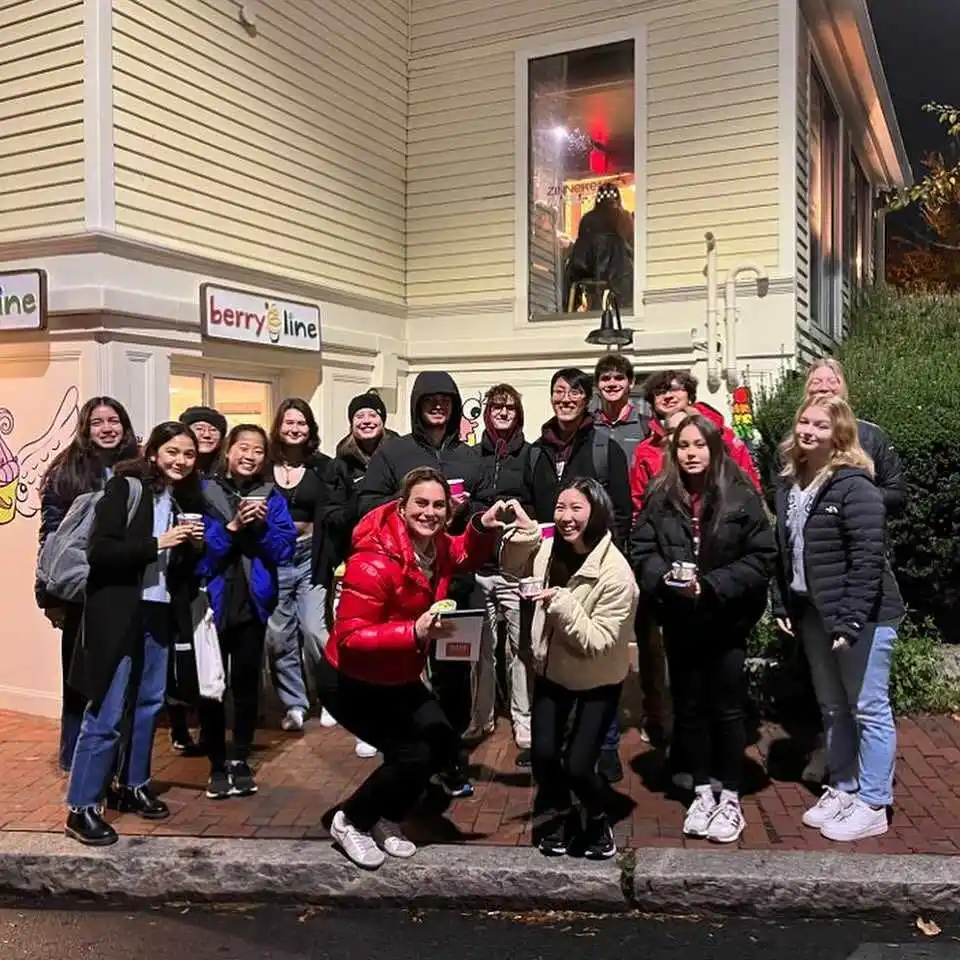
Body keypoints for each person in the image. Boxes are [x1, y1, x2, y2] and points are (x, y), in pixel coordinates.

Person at [316, 468, 506, 869]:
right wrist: (414, 631)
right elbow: (350, 636)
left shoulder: (435, 546)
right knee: (411, 754)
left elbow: (464, 553)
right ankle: (350, 820)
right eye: (421, 503)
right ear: (401, 507)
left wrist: (482, 525)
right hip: (350, 678)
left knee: (441, 740)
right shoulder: (372, 561)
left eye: (439, 505)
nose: (430, 512)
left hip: (397, 672)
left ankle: (386, 817)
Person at [631, 414, 776, 843]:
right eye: (683, 446)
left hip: (725, 619)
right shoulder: (661, 497)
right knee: (689, 707)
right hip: (680, 619)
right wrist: (664, 580)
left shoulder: (741, 496)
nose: (691, 454)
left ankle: (729, 794)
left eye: (699, 446)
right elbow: (640, 548)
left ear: (714, 449)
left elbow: (761, 558)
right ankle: (701, 791)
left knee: (727, 709)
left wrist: (710, 585)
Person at [64, 422, 205, 846]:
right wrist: (157, 542)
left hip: (158, 614)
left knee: (147, 705)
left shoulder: (182, 499)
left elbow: (174, 571)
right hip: (120, 613)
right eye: (173, 452)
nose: (181, 461)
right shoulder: (125, 489)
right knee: (106, 710)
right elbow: (101, 551)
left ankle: (133, 783)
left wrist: (190, 548)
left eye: (189, 454)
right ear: (153, 452)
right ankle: (82, 807)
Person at [773, 395, 903, 842]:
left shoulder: (854, 485)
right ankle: (845, 787)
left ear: (840, 434)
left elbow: (868, 557)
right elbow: (787, 551)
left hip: (862, 616)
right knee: (832, 706)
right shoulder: (793, 484)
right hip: (813, 613)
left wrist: (849, 622)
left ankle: (873, 802)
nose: (809, 431)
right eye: (804, 422)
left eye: (821, 426)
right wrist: (783, 602)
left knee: (868, 707)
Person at [358, 371, 485, 797]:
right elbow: (367, 503)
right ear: (417, 404)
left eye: (446, 400)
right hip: (404, 588)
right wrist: (414, 510)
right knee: (398, 676)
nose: (438, 406)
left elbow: (489, 500)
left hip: (458, 586)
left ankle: (450, 758)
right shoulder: (394, 452)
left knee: (453, 677)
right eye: (430, 399)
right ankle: (405, 759)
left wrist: (466, 512)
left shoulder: (471, 455)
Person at [501, 478, 637, 860]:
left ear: (596, 513)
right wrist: (523, 538)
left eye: (576, 508)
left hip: (598, 677)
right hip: (552, 669)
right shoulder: (548, 550)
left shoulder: (616, 574)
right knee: (543, 755)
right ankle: (561, 813)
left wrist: (561, 604)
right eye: (561, 507)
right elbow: (509, 566)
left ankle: (596, 818)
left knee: (579, 764)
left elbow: (598, 643)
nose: (565, 517)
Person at [522, 367, 632, 783]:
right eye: (558, 391)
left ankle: (604, 745)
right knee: (553, 651)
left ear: (587, 399)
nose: (565, 398)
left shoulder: (605, 447)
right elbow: (532, 506)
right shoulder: (537, 451)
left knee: (598, 657)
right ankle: (558, 740)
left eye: (574, 392)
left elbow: (621, 511)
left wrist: (609, 564)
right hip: (550, 563)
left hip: (594, 567)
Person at [37, 397, 140, 773]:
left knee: (123, 681)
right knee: (79, 679)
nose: (107, 428)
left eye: (114, 420)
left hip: (129, 588)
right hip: (84, 591)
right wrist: (46, 591)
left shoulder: (140, 468)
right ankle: (73, 757)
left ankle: (115, 760)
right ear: (86, 428)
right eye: (98, 422)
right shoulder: (67, 472)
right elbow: (50, 535)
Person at [197, 424, 297, 800]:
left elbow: (284, 550)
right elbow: (200, 556)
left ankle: (239, 759)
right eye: (243, 447)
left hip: (253, 605)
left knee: (245, 685)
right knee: (211, 687)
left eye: (257, 450)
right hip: (211, 603)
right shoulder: (205, 493)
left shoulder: (272, 497)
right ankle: (215, 764)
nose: (249, 455)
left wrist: (261, 527)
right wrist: (233, 525)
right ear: (227, 451)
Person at [265, 399, 349, 734]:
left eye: (301, 423)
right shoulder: (264, 466)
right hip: (274, 560)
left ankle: (331, 697)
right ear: (279, 427)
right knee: (278, 636)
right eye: (289, 423)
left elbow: (339, 510)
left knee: (316, 630)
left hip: (311, 559)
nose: (295, 429)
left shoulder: (324, 467)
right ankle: (294, 703)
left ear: (310, 428)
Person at [470, 384, 533, 760]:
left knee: (520, 646)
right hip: (480, 567)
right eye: (497, 406)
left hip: (514, 569)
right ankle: (482, 715)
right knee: (481, 648)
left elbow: (540, 506)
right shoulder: (473, 455)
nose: (503, 412)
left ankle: (522, 715)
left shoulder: (529, 454)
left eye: (510, 407)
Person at [168, 405, 228, 756]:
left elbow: (227, 529)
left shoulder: (219, 480)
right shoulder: (165, 480)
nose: (205, 435)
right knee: (176, 655)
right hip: (169, 581)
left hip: (208, 580)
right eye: (197, 429)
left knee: (208, 664)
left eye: (212, 430)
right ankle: (178, 724)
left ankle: (211, 736)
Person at [803, 358, 905, 516]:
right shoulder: (791, 441)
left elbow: (897, 494)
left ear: (844, 388)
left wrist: (857, 499)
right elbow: (776, 494)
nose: (824, 388)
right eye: (816, 382)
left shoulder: (872, 436)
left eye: (833, 381)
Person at [566, 182, 634, 311]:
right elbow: (631, 247)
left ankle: (589, 308)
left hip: (587, 270)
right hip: (619, 271)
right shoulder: (624, 218)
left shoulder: (587, 219)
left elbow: (580, 252)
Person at [592, 353, 650, 465]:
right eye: (605, 378)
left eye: (619, 378)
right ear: (597, 384)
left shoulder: (646, 426)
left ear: (631, 383)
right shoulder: (587, 424)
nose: (612, 384)